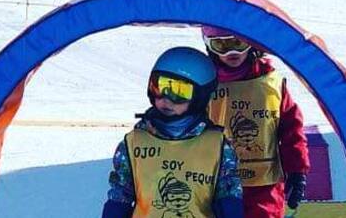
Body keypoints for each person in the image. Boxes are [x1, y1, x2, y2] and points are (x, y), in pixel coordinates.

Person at [102, 47, 244, 218]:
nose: (166, 99)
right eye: (159, 87)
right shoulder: (134, 142)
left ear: (200, 96)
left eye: (179, 91)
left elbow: (229, 194)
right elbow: (120, 194)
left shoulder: (217, 145)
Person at [202, 27, 309, 217]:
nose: (231, 53)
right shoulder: (203, 83)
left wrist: (296, 170)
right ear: (210, 46)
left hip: (263, 188)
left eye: (238, 43)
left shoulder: (270, 82)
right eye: (221, 46)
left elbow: (291, 129)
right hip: (216, 186)